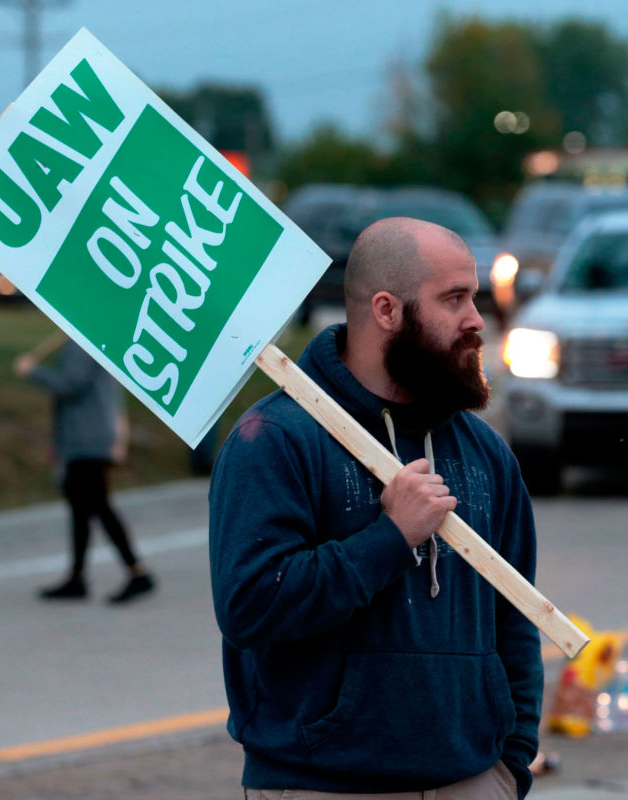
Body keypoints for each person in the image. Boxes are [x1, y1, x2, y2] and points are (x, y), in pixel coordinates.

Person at [208, 217, 543, 799]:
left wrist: (511, 768)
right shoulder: (277, 438)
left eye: (474, 297)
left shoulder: (484, 452)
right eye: (454, 299)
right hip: (324, 784)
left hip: (472, 781)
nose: (476, 320)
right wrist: (389, 538)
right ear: (387, 310)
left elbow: (515, 621)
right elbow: (251, 606)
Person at [15, 339, 154, 603]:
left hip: (88, 439)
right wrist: (59, 443)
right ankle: (77, 577)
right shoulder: (89, 343)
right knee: (80, 508)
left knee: (98, 505)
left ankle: (137, 573)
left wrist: (32, 371)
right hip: (82, 438)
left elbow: (69, 385)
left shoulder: (82, 344)